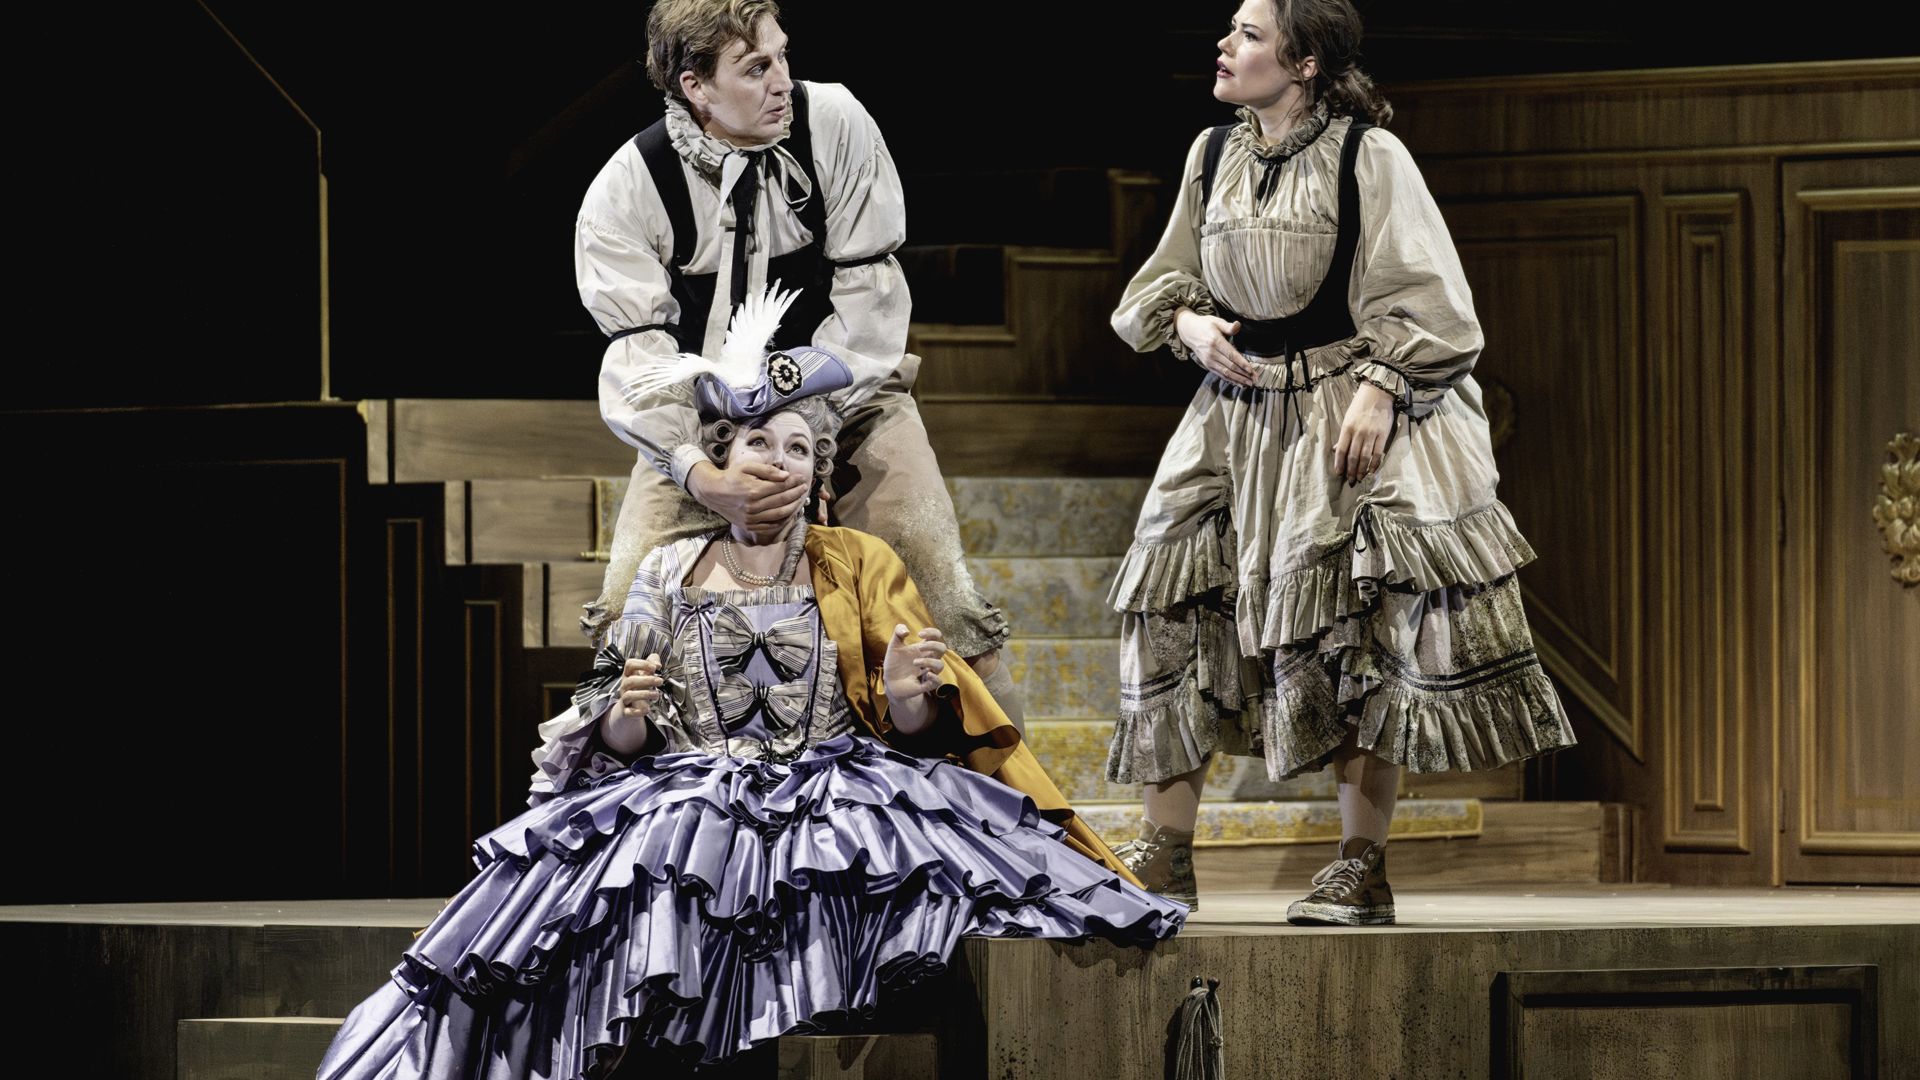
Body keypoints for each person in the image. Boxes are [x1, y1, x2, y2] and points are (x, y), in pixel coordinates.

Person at [316, 293, 1185, 1079]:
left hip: (835, 778)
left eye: (799, 446)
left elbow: (915, 728)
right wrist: (625, 713)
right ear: (722, 460)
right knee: (646, 871)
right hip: (695, 782)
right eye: (759, 442)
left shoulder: (857, 561)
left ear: (820, 471)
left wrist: (903, 692)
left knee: (897, 855)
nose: (780, 460)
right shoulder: (665, 570)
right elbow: (620, 742)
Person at [1104, 0, 1575, 923]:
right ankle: (1165, 852)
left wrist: (1383, 385)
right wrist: (1187, 323)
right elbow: (1163, 279)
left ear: (1306, 61)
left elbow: (1436, 304)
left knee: (1354, 626)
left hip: (1345, 405)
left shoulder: (1370, 155)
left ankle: (1362, 864)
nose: (1225, 44)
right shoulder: (1212, 152)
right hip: (1237, 410)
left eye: (1249, 33)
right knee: (1169, 595)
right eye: (1231, 29)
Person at [575, 0, 1025, 730]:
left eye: (783, 56)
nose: (783, 81)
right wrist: (703, 476)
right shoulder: (630, 187)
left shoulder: (835, 122)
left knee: (939, 592)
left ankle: (1013, 789)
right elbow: (638, 360)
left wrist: (804, 439)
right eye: (756, 68)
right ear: (696, 86)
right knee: (627, 610)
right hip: (705, 423)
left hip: (854, 400)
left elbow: (870, 306)